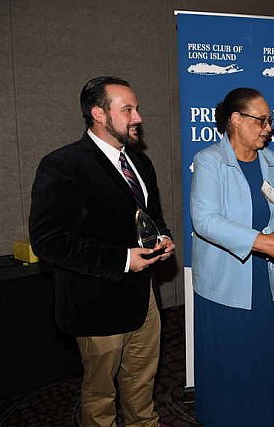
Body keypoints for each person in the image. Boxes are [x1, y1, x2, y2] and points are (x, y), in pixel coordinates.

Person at [29, 76, 175, 427]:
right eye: (127, 109)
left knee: (142, 385)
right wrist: (122, 259)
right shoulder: (63, 164)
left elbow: (151, 218)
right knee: (100, 397)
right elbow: (48, 240)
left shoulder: (141, 163)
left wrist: (164, 238)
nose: (138, 116)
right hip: (96, 304)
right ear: (98, 113)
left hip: (145, 300)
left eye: (136, 108)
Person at [190, 87, 274, 427]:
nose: (268, 128)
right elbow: (205, 220)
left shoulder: (272, 161)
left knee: (260, 355)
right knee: (230, 357)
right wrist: (262, 242)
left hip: (266, 278)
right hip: (225, 282)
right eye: (261, 120)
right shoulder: (209, 161)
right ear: (235, 119)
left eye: (269, 121)